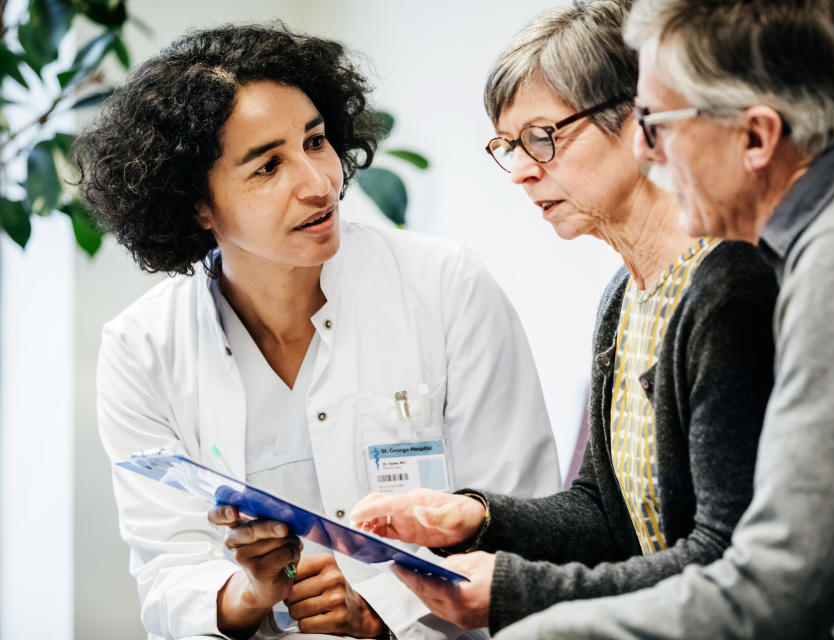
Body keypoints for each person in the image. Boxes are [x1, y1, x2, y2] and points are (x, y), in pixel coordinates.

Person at [490, 0, 834, 638]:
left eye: (657, 121)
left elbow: (776, 590)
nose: (647, 150)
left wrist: (536, 629)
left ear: (757, 136)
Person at [76, 24, 560, 640]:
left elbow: (525, 520)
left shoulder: (444, 286)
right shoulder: (142, 348)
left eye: (316, 141)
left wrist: (378, 610)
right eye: (268, 166)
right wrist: (251, 593)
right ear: (196, 203)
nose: (318, 182)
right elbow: (167, 572)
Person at [350, 1, 778, 634]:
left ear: (639, 118)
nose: (522, 171)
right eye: (508, 146)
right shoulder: (621, 297)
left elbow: (727, 555)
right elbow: (605, 515)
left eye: (541, 137)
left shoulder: (728, 286)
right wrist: (474, 517)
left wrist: (517, 589)